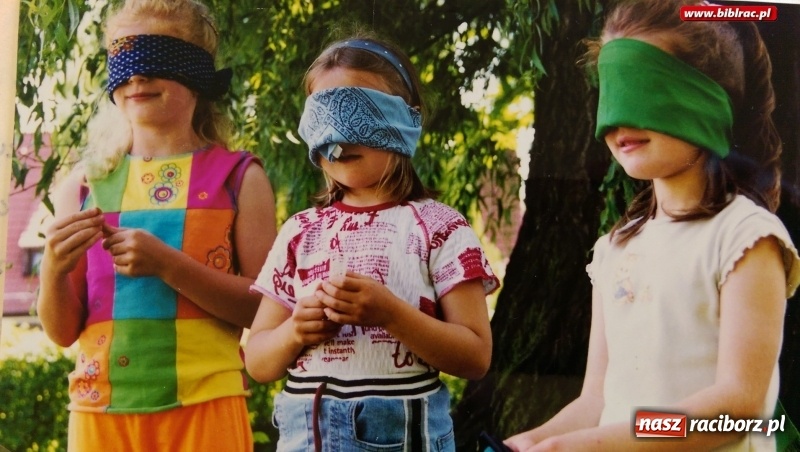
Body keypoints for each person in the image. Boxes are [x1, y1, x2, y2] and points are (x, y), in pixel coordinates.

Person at [504, 1, 800, 451]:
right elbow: (596, 399)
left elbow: (740, 408)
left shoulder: (746, 237)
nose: (620, 119)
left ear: (707, 98)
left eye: (643, 87)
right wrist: (533, 440)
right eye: (612, 91)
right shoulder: (614, 248)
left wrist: (592, 447)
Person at [36, 0, 277, 450]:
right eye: (124, 59)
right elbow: (63, 331)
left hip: (206, 403)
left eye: (156, 57)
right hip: (100, 411)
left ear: (197, 73)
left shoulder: (240, 179)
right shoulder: (84, 187)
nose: (137, 77)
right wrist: (51, 269)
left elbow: (266, 309)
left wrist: (170, 265)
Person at [244, 33, 499, 451]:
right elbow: (258, 361)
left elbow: (475, 356)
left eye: (358, 110)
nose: (338, 136)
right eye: (323, 116)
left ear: (405, 120)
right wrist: (294, 331)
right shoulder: (298, 232)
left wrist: (390, 314)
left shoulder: (440, 227)